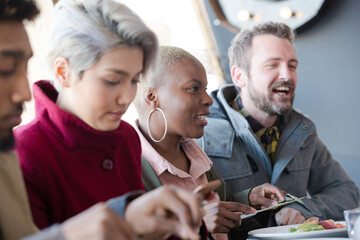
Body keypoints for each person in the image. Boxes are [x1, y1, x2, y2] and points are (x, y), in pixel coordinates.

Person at [0, 1, 215, 240]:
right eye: (113, 80)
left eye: (134, 80)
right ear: (63, 72)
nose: (126, 98)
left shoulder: (126, 136)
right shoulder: (23, 153)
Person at [196, 21, 360, 238]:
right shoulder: (200, 129)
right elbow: (191, 211)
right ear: (239, 76)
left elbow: (348, 192)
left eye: (292, 65)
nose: (287, 75)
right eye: (272, 65)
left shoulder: (303, 130)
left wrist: (304, 208)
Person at [133, 46, 287, 240]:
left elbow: (212, 211)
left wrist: (247, 200)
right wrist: (196, 223)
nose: (208, 100)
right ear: (153, 98)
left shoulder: (195, 153)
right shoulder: (128, 166)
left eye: (205, 89)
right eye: (193, 89)